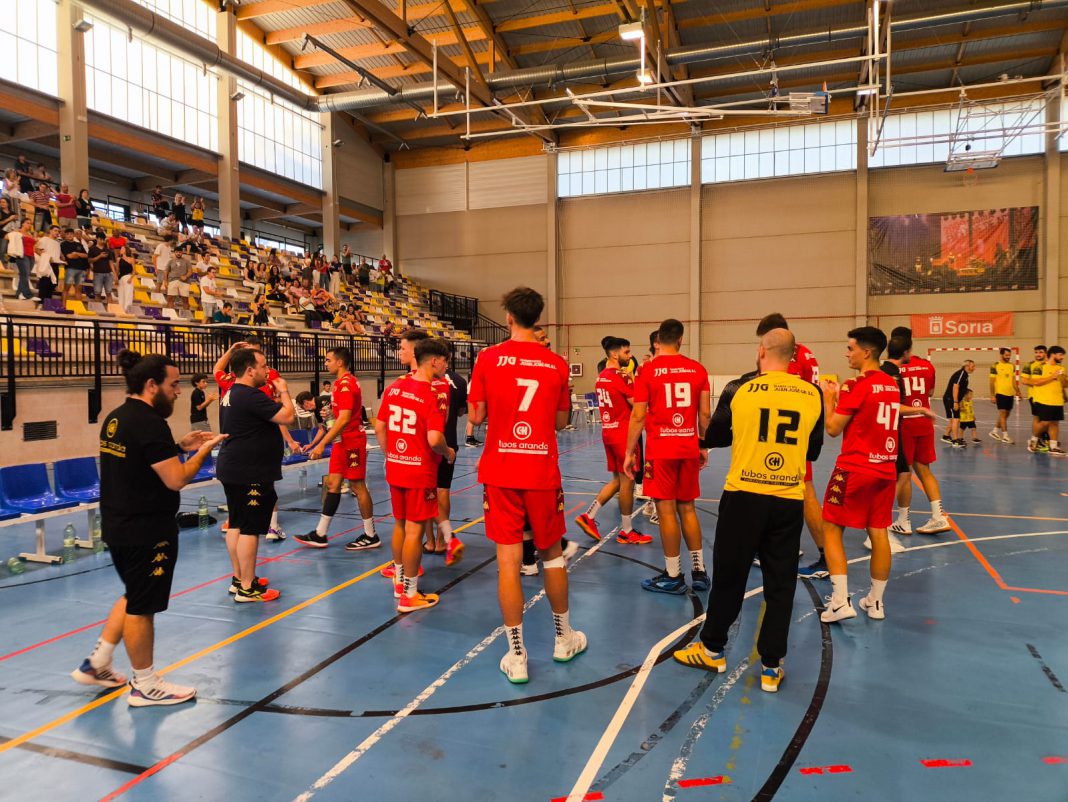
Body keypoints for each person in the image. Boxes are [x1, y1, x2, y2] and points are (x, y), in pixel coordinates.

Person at [673, 329, 823, 693]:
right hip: (787, 498)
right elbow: (814, 451)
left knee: (729, 576)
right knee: (780, 584)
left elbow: (717, 435)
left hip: (744, 495)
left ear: (761, 352)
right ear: (793, 356)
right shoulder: (813, 393)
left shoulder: (741, 389)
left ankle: (712, 649)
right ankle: (772, 666)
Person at [71, 350, 224, 706]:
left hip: (118, 525)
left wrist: (178, 446)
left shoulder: (117, 417)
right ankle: (145, 684)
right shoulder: (150, 422)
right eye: (173, 385)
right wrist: (204, 452)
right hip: (145, 530)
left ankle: (98, 662)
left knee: (133, 594)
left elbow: (142, 460)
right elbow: (176, 479)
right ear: (151, 385)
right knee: (142, 606)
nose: (179, 392)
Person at [468, 287, 586, 684]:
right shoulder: (556, 364)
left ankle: (516, 655)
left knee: (508, 562)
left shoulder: (487, 358)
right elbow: (560, 422)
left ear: (509, 318)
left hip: (501, 470)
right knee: (552, 554)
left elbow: (477, 415)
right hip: (540, 471)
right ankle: (563, 638)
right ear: (538, 319)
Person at [623, 319, 712, 595]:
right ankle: (699, 571)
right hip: (687, 447)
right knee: (687, 508)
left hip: (661, 450)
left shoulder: (647, 371)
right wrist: (703, 445)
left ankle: (673, 574)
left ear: (658, 340)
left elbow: (638, 415)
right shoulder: (698, 369)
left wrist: (629, 452)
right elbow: (705, 414)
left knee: (666, 510)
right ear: (681, 340)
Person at [819, 327, 901, 623]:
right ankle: (876, 602)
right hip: (885, 468)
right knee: (878, 531)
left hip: (855, 468)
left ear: (866, 352)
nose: (847, 352)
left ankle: (840, 601)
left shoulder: (857, 385)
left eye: (850, 347)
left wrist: (830, 397)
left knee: (830, 527)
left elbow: (832, 428)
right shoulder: (891, 385)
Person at [375, 338, 455, 612]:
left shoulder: (395, 388)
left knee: (399, 524)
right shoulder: (430, 394)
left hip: (396, 466)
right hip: (419, 470)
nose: (446, 365)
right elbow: (434, 438)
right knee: (414, 530)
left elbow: (379, 427)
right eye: (445, 360)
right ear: (434, 361)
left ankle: (399, 582)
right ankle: (410, 594)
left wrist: (390, 455)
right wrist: (447, 452)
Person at [215, 347, 295, 601]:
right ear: (249, 370)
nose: (266, 370)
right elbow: (288, 416)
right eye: (262, 366)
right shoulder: (250, 395)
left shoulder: (231, 392)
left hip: (234, 467)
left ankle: (239, 578)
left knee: (237, 524)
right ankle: (248, 588)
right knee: (249, 529)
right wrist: (283, 390)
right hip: (249, 471)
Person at [753, 314, 826, 579]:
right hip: (801, 429)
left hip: (785, 433)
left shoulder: (788, 359)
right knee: (787, 490)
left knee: (802, 492)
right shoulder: (806, 353)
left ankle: (826, 554)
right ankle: (778, 544)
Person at [295, 347, 380, 551]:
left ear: (339, 362)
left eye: (328, 360)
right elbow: (337, 418)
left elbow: (345, 418)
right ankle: (320, 534)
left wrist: (322, 443)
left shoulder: (346, 384)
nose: (326, 363)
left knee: (358, 486)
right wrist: (329, 417)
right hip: (341, 443)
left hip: (352, 442)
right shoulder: (338, 385)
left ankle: (371, 534)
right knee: (332, 484)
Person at [576, 336, 650, 545]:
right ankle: (627, 531)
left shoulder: (601, 377)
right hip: (624, 434)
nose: (630, 356)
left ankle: (589, 516)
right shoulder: (622, 376)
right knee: (627, 482)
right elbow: (638, 405)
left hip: (608, 431)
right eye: (627, 352)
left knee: (618, 481)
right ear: (615, 354)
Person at [889, 329, 950, 537]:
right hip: (925, 421)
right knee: (925, 470)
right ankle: (938, 516)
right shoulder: (926, 365)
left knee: (903, 474)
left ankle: (903, 520)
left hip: (905, 422)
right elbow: (931, 392)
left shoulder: (893, 369)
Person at [425, 340, 468, 564]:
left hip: (428, 444)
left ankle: (431, 541)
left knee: (425, 493)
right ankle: (444, 541)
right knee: (443, 491)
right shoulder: (460, 381)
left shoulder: (424, 380)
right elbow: (462, 412)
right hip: (449, 440)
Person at [1026, 345, 1067, 456]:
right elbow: (1035, 382)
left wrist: (1062, 377)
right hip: (1043, 399)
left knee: (1055, 423)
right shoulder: (1039, 367)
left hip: (1057, 400)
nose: (1062, 357)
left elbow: (1065, 385)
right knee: (1045, 422)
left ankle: (1053, 447)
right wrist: (1052, 377)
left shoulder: (1061, 368)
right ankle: (1033, 440)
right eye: (1060, 355)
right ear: (1053, 354)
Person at [1021, 345, 1049, 452]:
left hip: (1049, 397)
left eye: (1040, 352)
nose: (1038, 354)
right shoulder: (1030, 365)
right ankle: (1034, 440)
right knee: (1038, 418)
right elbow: (1024, 380)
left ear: (1046, 353)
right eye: (1036, 352)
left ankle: (1043, 438)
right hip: (1035, 396)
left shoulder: (1050, 364)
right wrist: (1038, 383)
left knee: (1048, 419)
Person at [941, 360, 975, 448]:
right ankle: (955, 441)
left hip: (954, 399)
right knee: (956, 419)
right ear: (967, 366)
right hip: (950, 399)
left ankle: (946, 436)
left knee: (953, 419)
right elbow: (955, 387)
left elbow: (962, 390)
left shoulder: (965, 375)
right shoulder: (961, 374)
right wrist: (955, 401)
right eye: (972, 366)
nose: (974, 368)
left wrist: (960, 401)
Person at [989, 347, 1019, 443]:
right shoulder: (995, 366)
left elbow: (1013, 380)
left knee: (1007, 414)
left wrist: (1018, 391)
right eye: (1006, 355)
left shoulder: (1012, 366)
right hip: (1000, 393)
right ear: (1001, 354)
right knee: (1002, 414)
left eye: (1009, 355)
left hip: (1010, 393)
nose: (1008, 357)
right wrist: (992, 395)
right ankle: (1005, 436)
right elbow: (991, 382)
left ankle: (994, 431)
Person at [5, 217, 34, 300]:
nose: (29, 225)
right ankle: (27, 294)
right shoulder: (18, 232)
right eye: (28, 223)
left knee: (25, 275)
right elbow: (6, 237)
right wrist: (14, 234)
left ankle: (19, 293)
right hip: (22, 255)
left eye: (31, 224)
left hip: (31, 256)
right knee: (25, 274)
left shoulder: (30, 234)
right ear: (22, 223)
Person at [59, 227, 88, 303]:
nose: (69, 235)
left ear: (73, 235)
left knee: (78, 289)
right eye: (67, 234)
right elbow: (69, 256)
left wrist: (77, 253)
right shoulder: (63, 244)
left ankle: (79, 307)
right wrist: (79, 255)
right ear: (65, 235)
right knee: (66, 289)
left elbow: (86, 255)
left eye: (71, 234)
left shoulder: (79, 244)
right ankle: (63, 306)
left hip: (81, 269)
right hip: (70, 268)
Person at [33, 224, 62, 300]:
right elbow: (36, 249)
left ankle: (47, 302)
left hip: (55, 265)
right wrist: (46, 257)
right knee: (44, 284)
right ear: (50, 231)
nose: (57, 232)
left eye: (58, 231)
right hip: (46, 264)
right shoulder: (44, 239)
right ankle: (41, 302)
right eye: (55, 230)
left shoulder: (58, 243)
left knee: (53, 284)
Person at [88, 232, 115, 301]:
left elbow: (111, 262)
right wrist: (100, 256)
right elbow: (90, 260)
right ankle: (98, 309)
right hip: (97, 273)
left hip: (108, 273)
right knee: (97, 293)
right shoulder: (92, 249)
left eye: (103, 239)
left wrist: (115, 274)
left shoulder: (107, 250)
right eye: (101, 239)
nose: (102, 241)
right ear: (97, 239)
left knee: (109, 293)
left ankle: (110, 309)